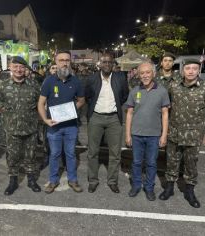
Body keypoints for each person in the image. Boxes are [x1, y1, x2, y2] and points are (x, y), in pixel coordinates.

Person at [158, 59, 205, 208]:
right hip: (174, 133)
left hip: (194, 135)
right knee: (171, 162)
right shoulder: (173, 86)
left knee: (191, 165)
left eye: (194, 68)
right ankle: (169, 188)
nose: (191, 71)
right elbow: (164, 105)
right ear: (183, 70)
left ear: (199, 70)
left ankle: (189, 191)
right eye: (188, 68)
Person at [38, 50, 85, 194]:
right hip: (54, 126)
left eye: (67, 60)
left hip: (71, 126)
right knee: (55, 154)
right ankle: (53, 181)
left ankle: (72, 179)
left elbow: (81, 100)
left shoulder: (76, 81)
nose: (64, 63)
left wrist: (70, 112)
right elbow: (41, 103)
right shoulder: (49, 81)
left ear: (70, 62)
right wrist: (45, 119)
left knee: (70, 153)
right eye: (61, 60)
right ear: (56, 62)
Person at [0, 56, 42, 195]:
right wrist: (12, 116)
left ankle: (31, 180)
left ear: (25, 69)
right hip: (12, 129)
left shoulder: (34, 85)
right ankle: (13, 181)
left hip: (31, 129)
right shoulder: (2, 86)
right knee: (13, 157)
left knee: (31, 155)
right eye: (15, 66)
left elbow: (40, 104)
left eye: (21, 67)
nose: (18, 69)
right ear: (10, 67)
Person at [125, 61, 169, 201]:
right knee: (137, 162)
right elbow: (129, 113)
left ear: (153, 73)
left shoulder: (162, 91)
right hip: (137, 134)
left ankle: (149, 188)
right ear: (138, 75)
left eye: (147, 72)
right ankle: (136, 185)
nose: (145, 75)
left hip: (154, 135)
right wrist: (128, 134)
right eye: (142, 73)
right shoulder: (134, 91)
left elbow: (165, 114)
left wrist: (164, 135)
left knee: (151, 163)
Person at [85, 53, 129, 193]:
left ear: (113, 64)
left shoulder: (120, 78)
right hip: (96, 118)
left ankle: (112, 181)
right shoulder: (92, 79)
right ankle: (92, 181)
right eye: (104, 62)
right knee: (92, 152)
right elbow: (88, 97)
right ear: (99, 64)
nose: (107, 65)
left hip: (114, 119)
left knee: (115, 153)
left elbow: (124, 96)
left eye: (110, 62)